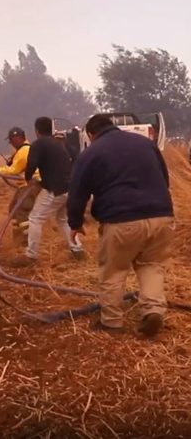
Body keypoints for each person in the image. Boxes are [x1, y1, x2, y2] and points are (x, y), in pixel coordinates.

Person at [67, 114, 174, 337]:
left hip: (121, 220)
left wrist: (75, 223)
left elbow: (77, 193)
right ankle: (153, 310)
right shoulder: (145, 144)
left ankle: (111, 322)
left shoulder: (91, 153)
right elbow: (164, 179)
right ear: (113, 126)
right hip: (161, 216)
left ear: (91, 134)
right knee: (152, 266)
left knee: (114, 270)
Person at [7, 117, 85, 267]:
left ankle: (31, 255)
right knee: (63, 220)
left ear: (37, 130)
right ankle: (77, 250)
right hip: (68, 188)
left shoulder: (38, 144)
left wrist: (28, 178)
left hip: (54, 189)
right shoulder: (59, 142)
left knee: (35, 218)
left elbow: (32, 164)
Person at [0, 126, 41, 226]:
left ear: (17, 138)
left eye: (11, 140)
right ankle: (18, 236)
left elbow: (13, 170)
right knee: (13, 209)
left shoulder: (23, 151)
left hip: (29, 185)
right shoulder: (24, 150)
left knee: (22, 211)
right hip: (26, 185)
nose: (10, 143)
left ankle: (24, 240)